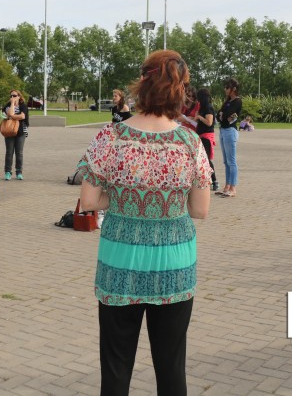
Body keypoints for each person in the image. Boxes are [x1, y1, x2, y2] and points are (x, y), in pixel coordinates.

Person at [75, 49, 212, 396]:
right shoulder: (190, 141)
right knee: (171, 368)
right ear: (180, 89)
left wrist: (122, 198)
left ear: (142, 84)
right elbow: (200, 210)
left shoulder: (113, 136)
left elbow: (88, 201)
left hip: (121, 258)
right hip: (174, 262)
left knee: (116, 367)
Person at [216, 78, 242, 198]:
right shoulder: (227, 101)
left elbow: (228, 116)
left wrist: (223, 115)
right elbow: (219, 114)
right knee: (226, 162)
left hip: (230, 131)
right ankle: (226, 186)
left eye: (227, 87)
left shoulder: (237, 101)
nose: (225, 89)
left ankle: (233, 187)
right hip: (222, 130)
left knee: (232, 161)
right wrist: (222, 115)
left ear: (234, 89)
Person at [195, 87, 218, 191]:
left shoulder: (208, 108)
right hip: (201, 135)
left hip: (207, 136)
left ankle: (214, 180)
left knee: (207, 159)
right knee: (203, 159)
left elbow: (209, 122)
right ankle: (206, 179)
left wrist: (200, 117)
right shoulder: (202, 107)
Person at [2, 89, 29, 180]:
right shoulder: (7, 106)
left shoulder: (23, 106)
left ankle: (19, 172)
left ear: (19, 96)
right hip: (9, 131)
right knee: (9, 153)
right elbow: (10, 113)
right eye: (11, 96)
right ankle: (8, 172)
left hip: (21, 132)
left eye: (15, 96)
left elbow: (23, 116)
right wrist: (12, 104)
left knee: (19, 153)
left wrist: (11, 117)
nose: (12, 97)